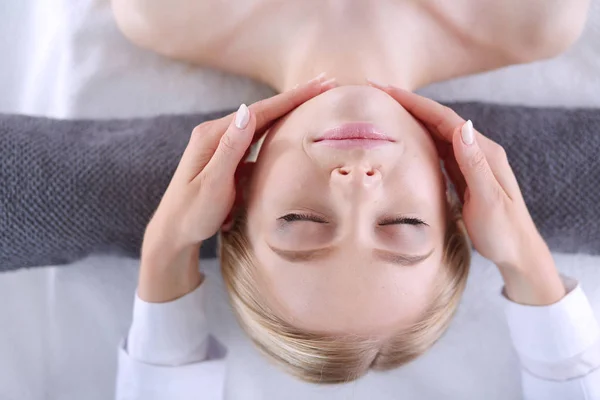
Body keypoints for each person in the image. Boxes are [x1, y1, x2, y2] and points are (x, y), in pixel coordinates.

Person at [112, 0, 599, 398]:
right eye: (403, 224)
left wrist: (166, 246)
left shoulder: (166, 13)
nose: (356, 186)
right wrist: (527, 259)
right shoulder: (533, 17)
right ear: (454, 196)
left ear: (236, 197)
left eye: (303, 222)